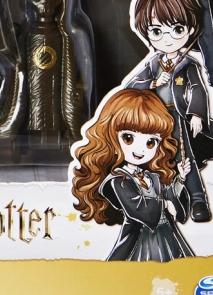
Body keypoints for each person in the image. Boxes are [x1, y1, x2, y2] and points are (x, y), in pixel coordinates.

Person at [126, 0, 213, 222]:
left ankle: (198, 200)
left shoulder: (188, 63)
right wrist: (153, 84)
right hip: (153, 120)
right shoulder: (153, 64)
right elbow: (131, 87)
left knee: (184, 159)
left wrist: (196, 114)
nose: (167, 39)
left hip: (176, 118)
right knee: (153, 158)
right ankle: (161, 199)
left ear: (190, 29)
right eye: (157, 31)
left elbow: (198, 89)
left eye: (177, 29)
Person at [72, 89, 194, 261]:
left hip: (167, 235)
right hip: (140, 240)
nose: (140, 149)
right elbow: (138, 209)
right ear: (110, 137)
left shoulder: (151, 177)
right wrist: (165, 205)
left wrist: (180, 178)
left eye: (150, 142)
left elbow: (168, 194)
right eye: (128, 138)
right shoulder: (117, 180)